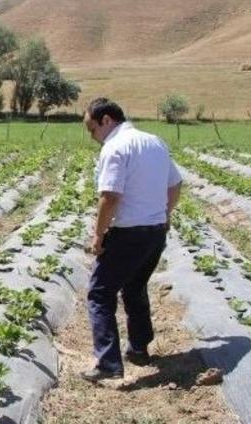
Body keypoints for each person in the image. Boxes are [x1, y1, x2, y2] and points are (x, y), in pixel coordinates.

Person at [82, 97, 183, 382]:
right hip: (155, 231)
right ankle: (139, 348)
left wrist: (99, 234)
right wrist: (164, 213)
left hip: (128, 233)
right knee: (135, 286)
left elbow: (110, 196)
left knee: (100, 293)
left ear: (106, 121)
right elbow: (175, 185)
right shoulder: (155, 142)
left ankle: (108, 363)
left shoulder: (115, 147)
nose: (92, 137)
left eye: (91, 129)